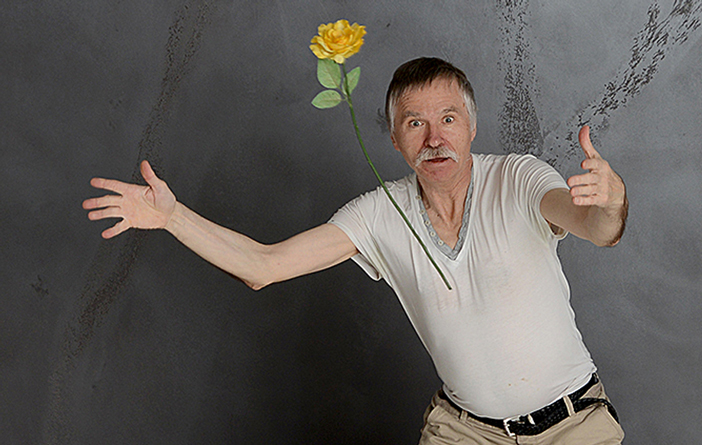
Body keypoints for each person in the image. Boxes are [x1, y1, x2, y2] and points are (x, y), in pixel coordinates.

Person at [84, 57, 628, 444]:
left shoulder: (518, 178)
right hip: (466, 433)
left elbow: (597, 228)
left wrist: (611, 200)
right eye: (415, 123)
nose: (434, 138)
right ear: (395, 139)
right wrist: (172, 217)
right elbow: (263, 267)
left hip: (573, 425)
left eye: (448, 118)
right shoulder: (378, 214)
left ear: (471, 126)